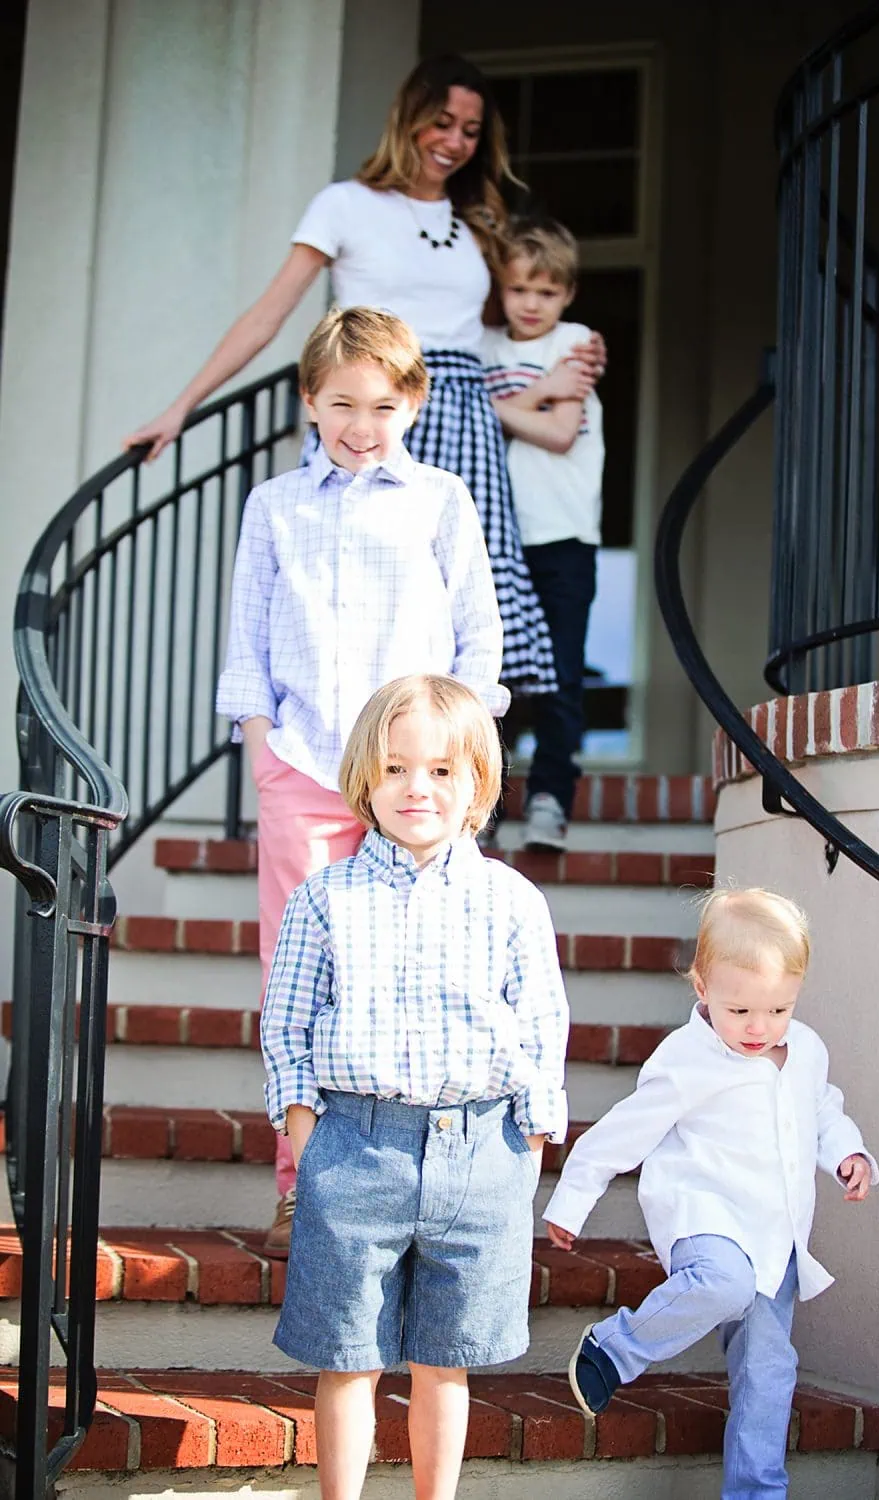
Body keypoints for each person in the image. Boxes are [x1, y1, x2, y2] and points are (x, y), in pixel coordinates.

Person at [124, 54, 604, 698]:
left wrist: (572, 351)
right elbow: (269, 314)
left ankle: (449, 787)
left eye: (469, 130)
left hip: (464, 413)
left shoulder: (480, 222)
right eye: (442, 123)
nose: (454, 142)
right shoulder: (345, 206)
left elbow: (512, 322)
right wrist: (181, 406)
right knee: (346, 597)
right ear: (408, 120)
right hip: (370, 410)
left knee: (457, 608)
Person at [216, 307, 509, 1256]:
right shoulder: (275, 508)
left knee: (418, 970)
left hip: (415, 773)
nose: (360, 423)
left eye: (382, 405)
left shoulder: (440, 501)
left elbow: (477, 632)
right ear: (309, 400)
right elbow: (246, 642)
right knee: (298, 978)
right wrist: (263, 744)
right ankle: (302, 1183)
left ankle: (418, 1180)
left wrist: (459, 754)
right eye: (341, 402)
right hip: (304, 764)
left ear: (413, 403)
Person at [260, 673, 570, 1500]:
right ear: (365, 777)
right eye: (395, 768)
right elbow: (287, 1026)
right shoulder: (325, 899)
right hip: (355, 1147)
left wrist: (528, 1148)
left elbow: (543, 1032)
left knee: (447, 1362)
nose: (416, 788)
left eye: (440, 770)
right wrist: (305, 1138)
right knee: (348, 1358)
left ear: (478, 783)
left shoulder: (511, 902)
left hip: (480, 1151)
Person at [543, 887, 879, 1499]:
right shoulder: (687, 1058)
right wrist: (572, 1201)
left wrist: (848, 1154)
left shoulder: (805, 1049)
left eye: (778, 1010)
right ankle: (614, 1347)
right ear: (701, 987)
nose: (759, 1028)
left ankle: (756, 1492)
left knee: (769, 1370)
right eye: (741, 1010)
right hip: (708, 1217)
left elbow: (823, 1109)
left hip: (776, 1239)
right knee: (722, 1283)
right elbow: (626, 1130)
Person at [482, 217, 604, 851]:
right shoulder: (481, 346)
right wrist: (540, 393)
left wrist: (499, 408)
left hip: (563, 537)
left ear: (567, 294)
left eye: (546, 291)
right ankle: (484, 804)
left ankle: (551, 798)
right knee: (491, 681)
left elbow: (560, 434)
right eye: (519, 289)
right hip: (497, 537)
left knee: (558, 678)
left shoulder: (576, 342)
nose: (531, 303)